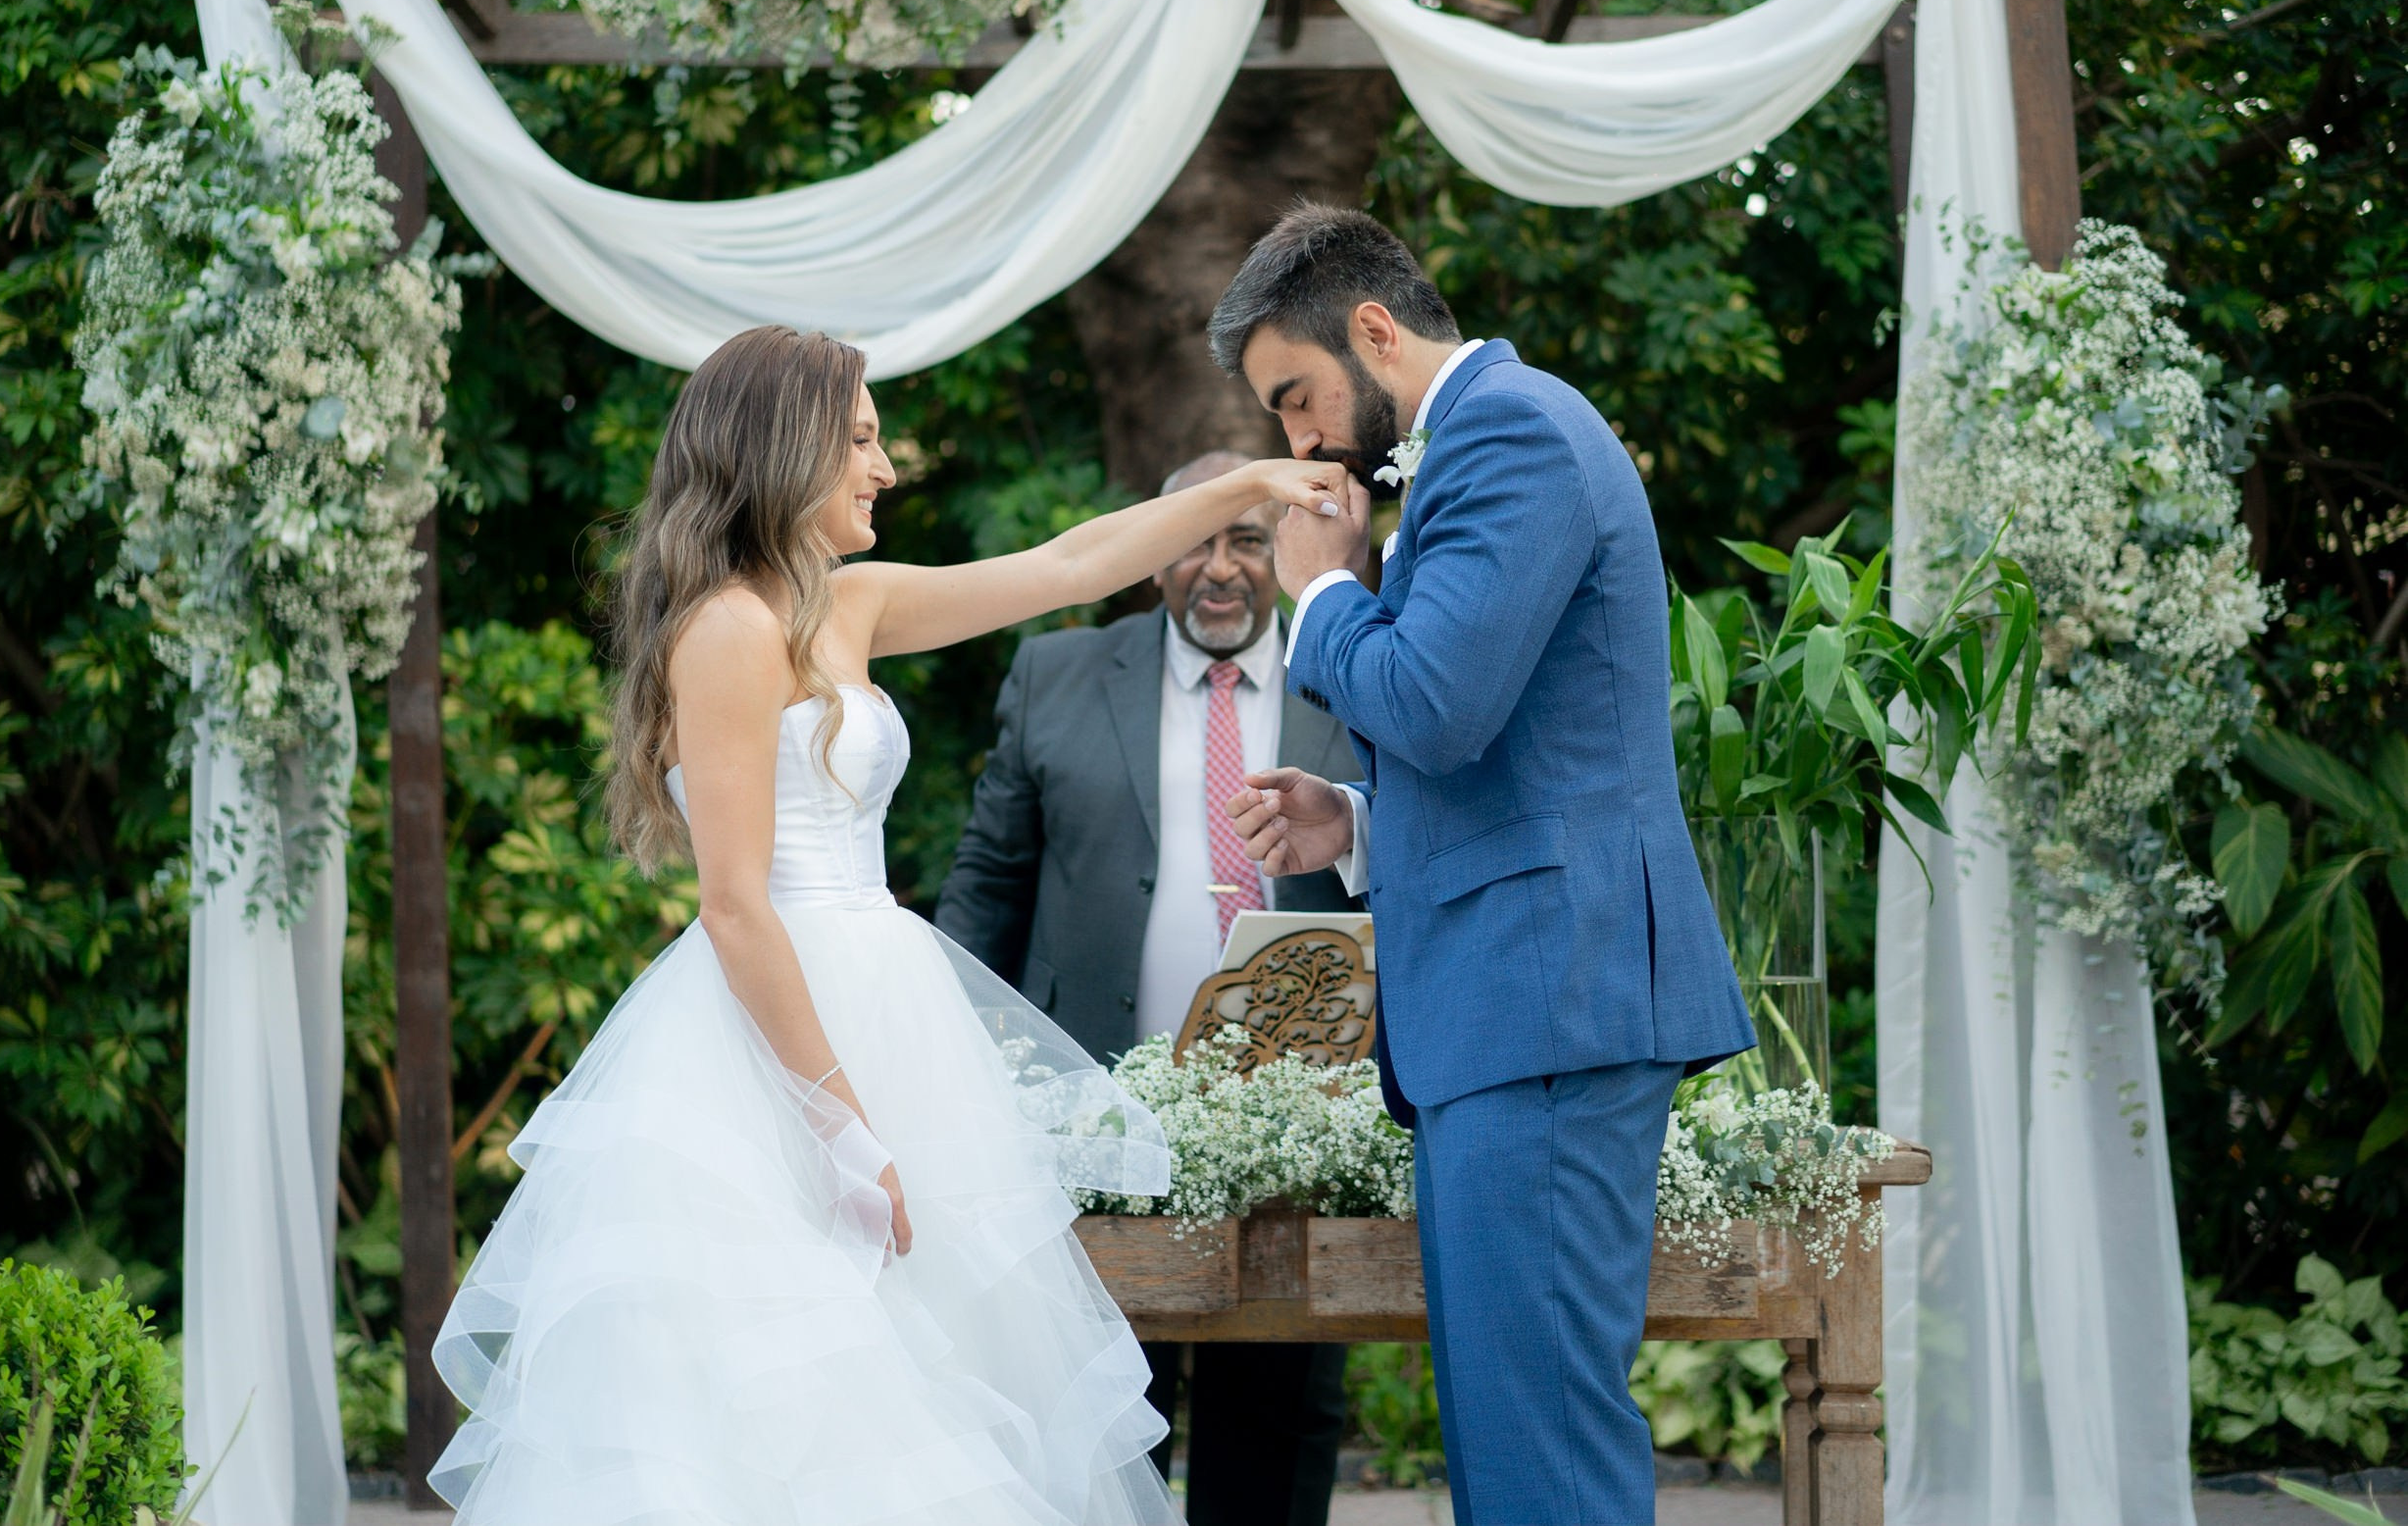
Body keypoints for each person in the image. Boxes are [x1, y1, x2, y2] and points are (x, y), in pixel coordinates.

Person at [426, 324, 1345, 1526]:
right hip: (781, 1055)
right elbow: (736, 902)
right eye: (860, 438)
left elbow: (1069, 564)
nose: (886, 465)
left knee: (936, 1376)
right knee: (809, 1393)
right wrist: (842, 1128)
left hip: (892, 1016)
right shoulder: (730, 630)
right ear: (784, 447)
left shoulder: (843, 605)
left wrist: (1246, 484)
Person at [1211, 204, 1756, 1526]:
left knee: (1541, 1453)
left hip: (1547, 1009)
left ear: (1376, 330)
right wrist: (1361, 821)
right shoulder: (1481, 443)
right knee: (1513, 1446)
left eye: (1296, 397)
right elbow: (1519, 750)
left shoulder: (1510, 431)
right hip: (1515, 1010)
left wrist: (1321, 592)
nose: (1296, 442)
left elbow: (1440, 698)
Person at [935, 448, 1365, 1526]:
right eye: (1190, 542)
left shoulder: (1354, 674)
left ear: (1283, 550)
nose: (1216, 569)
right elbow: (988, 882)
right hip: (1087, 1109)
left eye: (1246, 540)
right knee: (1100, 1414)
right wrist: (942, 1050)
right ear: (1150, 556)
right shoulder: (1058, 676)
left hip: (1297, 1126)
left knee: (1274, 1419)